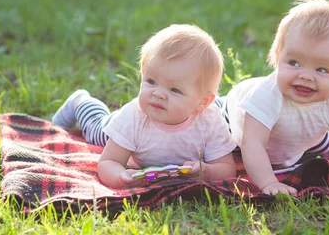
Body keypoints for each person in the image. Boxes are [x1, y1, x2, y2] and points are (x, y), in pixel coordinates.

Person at [221, 0, 329, 195]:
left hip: (297, 137)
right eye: (294, 63)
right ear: (277, 58)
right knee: (217, 141)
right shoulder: (266, 96)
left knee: (327, 146)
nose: (305, 76)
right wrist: (269, 183)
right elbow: (253, 144)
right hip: (237, 126)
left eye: (321, 69)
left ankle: (301, 146)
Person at [52, 24, 237, 188]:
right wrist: (120, 176)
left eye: (174, 90)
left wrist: (208, 172)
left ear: (203, 102)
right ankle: (80, 101)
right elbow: (109, 161)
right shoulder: (133, 117)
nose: (157, 93)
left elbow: (227, 168)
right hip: (124, 137)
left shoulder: (210, 121)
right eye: (151, 81)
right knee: (95, 130)